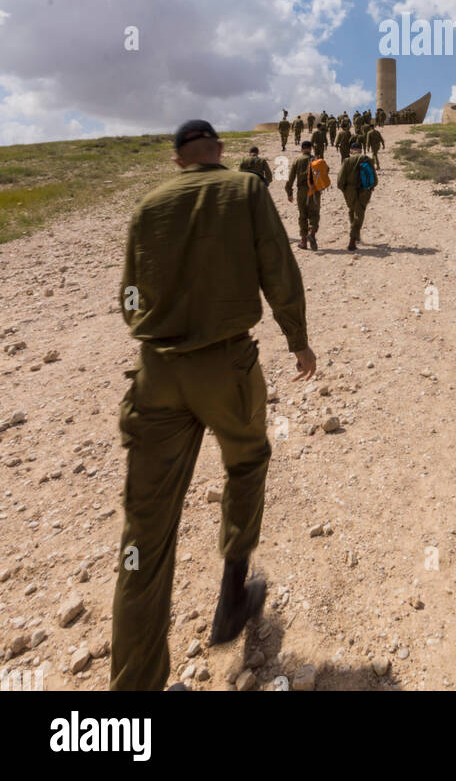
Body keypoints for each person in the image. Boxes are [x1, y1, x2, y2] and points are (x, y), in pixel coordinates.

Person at [110, 119, 315, 692]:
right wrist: (297, 337)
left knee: (144, 535)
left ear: (177, 158)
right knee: (247, 465)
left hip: (156, 373)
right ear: (217, 151)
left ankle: (130, 696)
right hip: (226, 367)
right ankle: (231, 594)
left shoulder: (149, 206)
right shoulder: (244, 189)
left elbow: (129, 298)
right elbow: (279, 266)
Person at [337, 139, 376, 252]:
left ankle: (352, 239)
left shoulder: (347, 161)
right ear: (360, 149)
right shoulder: (367, 159)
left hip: (350, 190)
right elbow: (374, 176)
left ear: (351, 150)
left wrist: (344, 189)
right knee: (360, 212)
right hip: (365, 190)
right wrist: (371, 187)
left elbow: (340, 180)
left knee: (352, 210)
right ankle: (355, 234)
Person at [287, 140, 320, 251]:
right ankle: (312, 232)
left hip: (302, 191)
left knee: (303, 214)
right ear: (311, 149)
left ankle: (304, 242)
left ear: (302, 149)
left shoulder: (297, 160)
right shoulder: (316, 160)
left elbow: (291, 177)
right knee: (314, 213)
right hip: (314, 191)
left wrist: (289, 192)